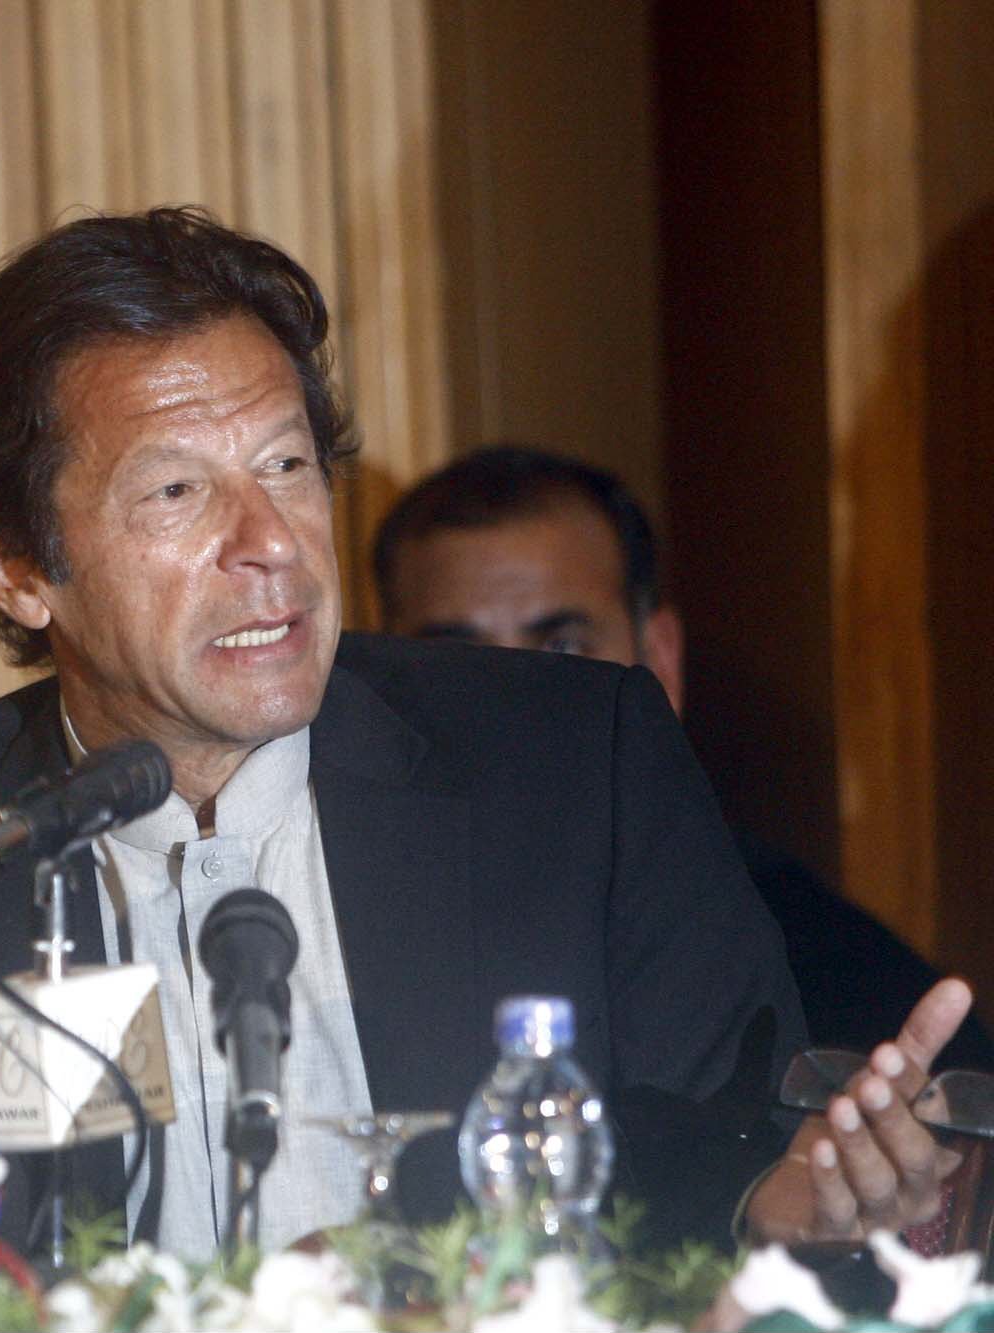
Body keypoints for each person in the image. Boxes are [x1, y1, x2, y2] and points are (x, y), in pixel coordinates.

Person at [0, 207, 970, 1263]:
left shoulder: (569, 770)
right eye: (175, 492)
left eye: (284, 465)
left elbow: (724, 1139)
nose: (267, 543)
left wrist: (794, 1195)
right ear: (15, 569)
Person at [372, 443, 990, 1077]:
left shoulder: (816, 961)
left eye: (562, 646)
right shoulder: (335, 915)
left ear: (659, 660)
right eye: (454, 659)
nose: (515, 698)